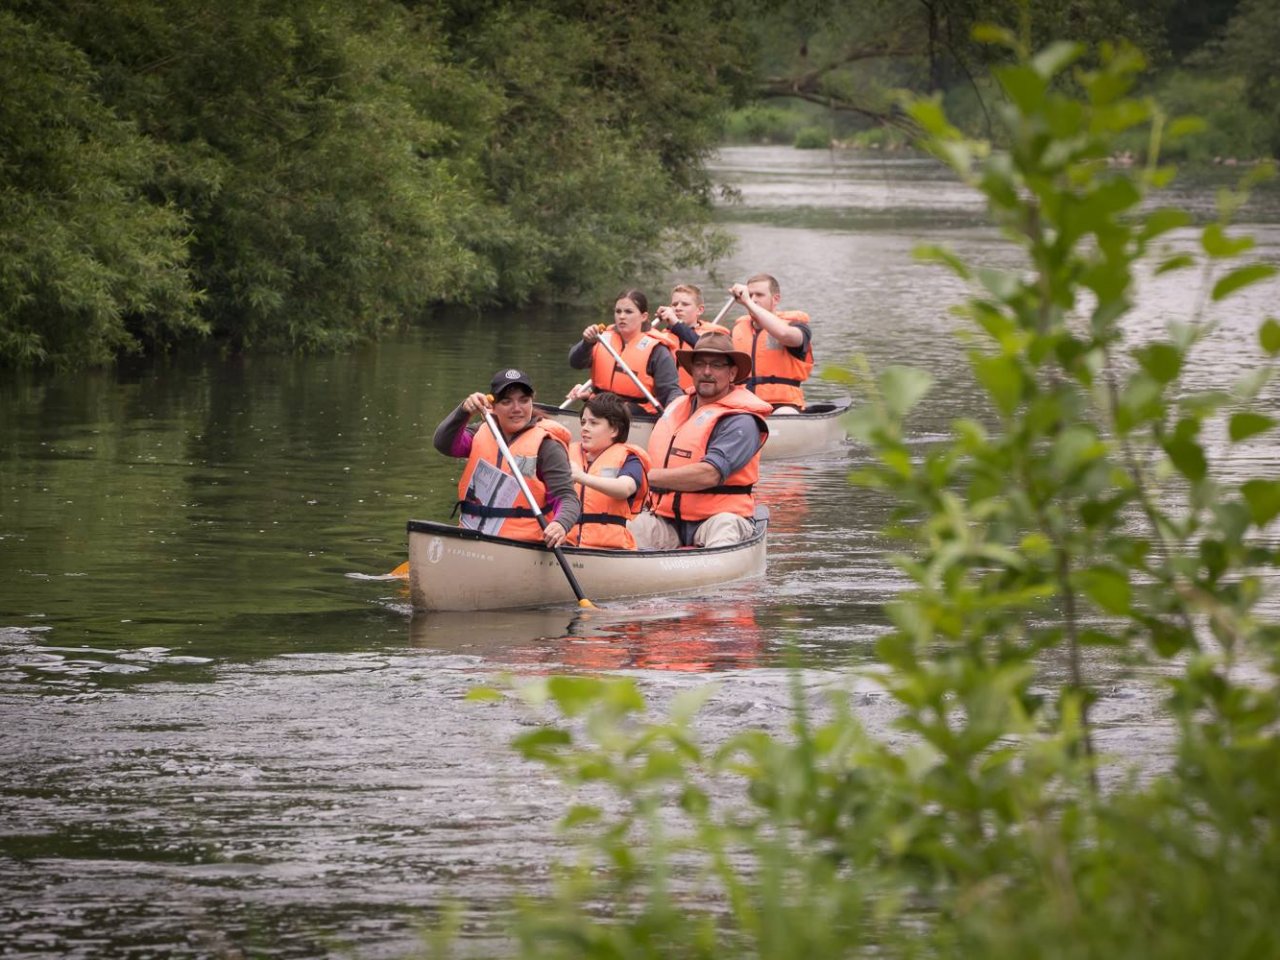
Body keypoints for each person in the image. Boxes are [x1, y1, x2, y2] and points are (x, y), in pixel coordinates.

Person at [630, 332, 772, 549]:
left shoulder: (742, 421)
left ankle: (717, 567)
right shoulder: (677, 407)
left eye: (716, 365)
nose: (706, 372)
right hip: (667, 518)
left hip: (718, 517)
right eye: (700, 364)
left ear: (732, 373)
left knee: (725, 527)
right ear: (692, 370)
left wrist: (644, 478)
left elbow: (710, 474)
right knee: (626, 529)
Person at [433, 368, 579, 547]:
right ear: (492, 406)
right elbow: (444, 444)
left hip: (525, 545)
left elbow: (567, 498)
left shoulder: (547, 446)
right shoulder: (481, 431)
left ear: (532, 402)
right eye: (506, 401)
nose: (516, 409)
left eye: (524, 400)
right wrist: (463, 411)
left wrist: (560, 524)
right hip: (474, 538)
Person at [567, 289, 682, 414]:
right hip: (598, 408)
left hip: (636, 414)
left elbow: (670, 391)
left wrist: (674, 415)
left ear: (643, 317)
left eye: (628, 312)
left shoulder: (657, 351)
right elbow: (575, 363)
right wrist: (587, 343)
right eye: (618, 311)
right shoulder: (601, 338)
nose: (622, 316)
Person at [568, 392, 651, 549]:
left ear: (614, 430)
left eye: (593, 423)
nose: (585, 428)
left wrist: (582, 477)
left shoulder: (630, 459)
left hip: (610, 547)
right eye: (583, 422)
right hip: (567, 543)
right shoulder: (568, 454)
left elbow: (625, 488)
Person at [729, 273, 814, 412]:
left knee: (785, 413)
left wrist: (748, 303)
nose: (753, 299)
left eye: (759, 295)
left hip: (782, 405)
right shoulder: (737, 330)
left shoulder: (797, 327)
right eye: (750, 295)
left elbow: (785, 334)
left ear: (775, 299)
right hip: (743, 404)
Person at [654, 283, 731, 393]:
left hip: (702, 394)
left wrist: (676, 325)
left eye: (685, 304)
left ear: (700, 310)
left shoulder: (714, 334)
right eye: (674, 304)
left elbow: (705, 348)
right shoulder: (662, 336)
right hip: (671, 396)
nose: (678, 308)